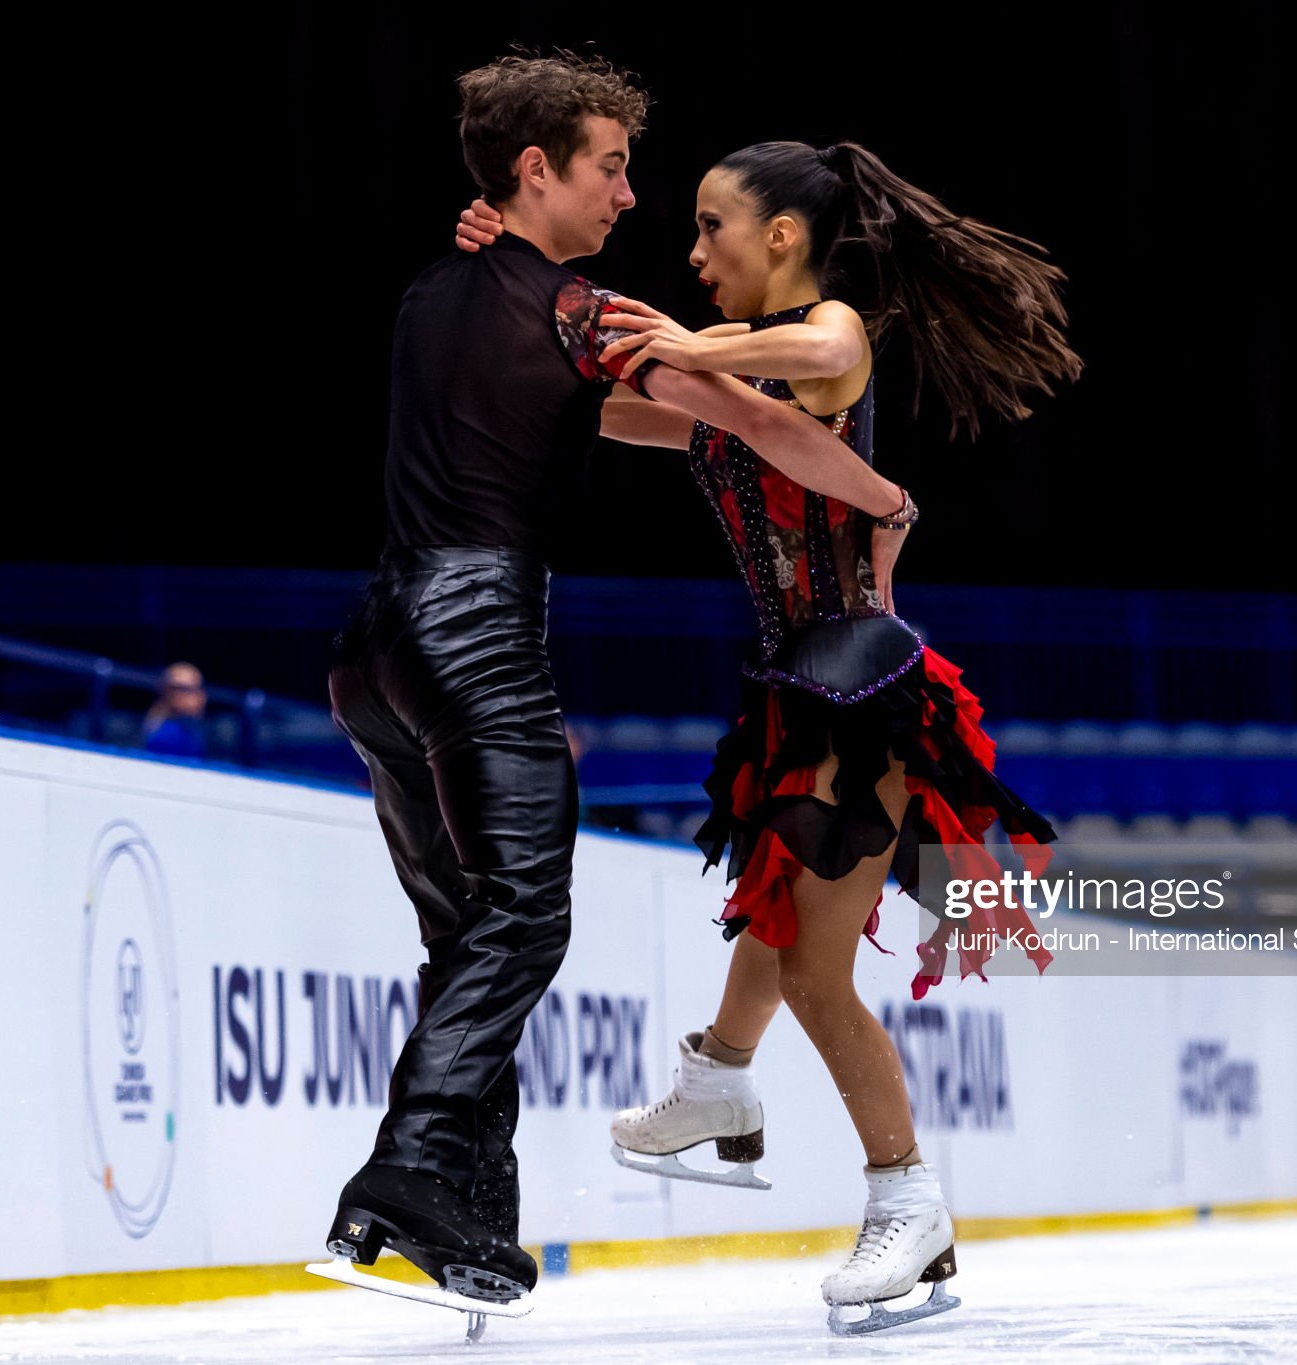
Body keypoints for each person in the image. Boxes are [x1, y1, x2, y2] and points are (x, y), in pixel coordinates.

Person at [455, 138, 1079, 1330]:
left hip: (860, 687)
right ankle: (718, 1085)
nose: (693, 253)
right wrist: (510, 283)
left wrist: (690, 349)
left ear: (780, 237)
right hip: (794, 685)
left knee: (810, 970)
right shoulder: (727, 389)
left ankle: (908, 1202)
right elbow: (597, 403)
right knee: (772, 911)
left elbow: (828, 351)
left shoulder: (824, 339)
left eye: (711, 228)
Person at [324, 57, 915, 1315]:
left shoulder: (437, 290)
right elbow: (731, 420)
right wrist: (885, 498)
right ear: (535, 169)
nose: (637, 202)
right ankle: (418, 1178)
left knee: (476, 934)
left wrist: (642, 334)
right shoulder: (586, 315)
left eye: (693, 214)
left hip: (380, 649)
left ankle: (479, 1200)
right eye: (612, 168)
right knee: (529, 921)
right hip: (492, 637)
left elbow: (733, 405)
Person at [142, 662, 209, 757]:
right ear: (168, 692)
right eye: (188, 690)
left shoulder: (193, 731)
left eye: (199, 688)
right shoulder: (167, 736)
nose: (200, 696)